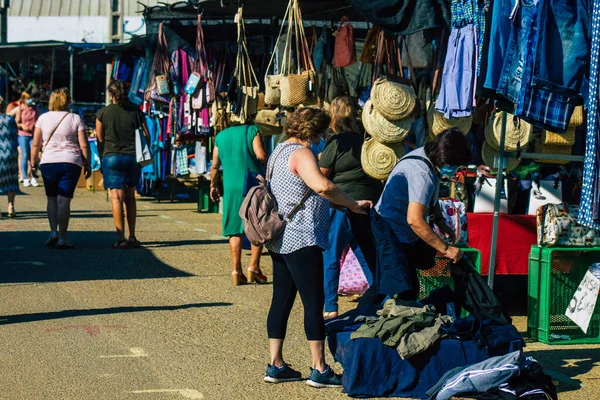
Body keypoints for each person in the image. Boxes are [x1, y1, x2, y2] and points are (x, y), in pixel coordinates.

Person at [263, 107, 371, 388]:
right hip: (302, 237)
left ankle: (275, 363)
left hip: (280, 237)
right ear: (313, 132)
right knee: (314, 302)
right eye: (324, 133)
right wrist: (352, 203)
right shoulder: (302, 154)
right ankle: (319, 368)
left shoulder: (278, 151)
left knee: (282, 299)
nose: (325, 138)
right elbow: (322, 186)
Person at [371, 128, 471, 301]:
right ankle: (359, 321)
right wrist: (446, 249)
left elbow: (428, 197)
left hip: (399, 229)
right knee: (390, 287)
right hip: (390, 230)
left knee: (408, 289)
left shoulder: (426, 155)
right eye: (455, 165)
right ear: (445, 159)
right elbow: (415, 220)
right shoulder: (422, 173)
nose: (455, 170)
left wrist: (440, 221)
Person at [318, 96, 382, 319]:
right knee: (366, 255)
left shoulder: (335, 143)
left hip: (341, 206)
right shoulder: (369, 140)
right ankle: (378, 300)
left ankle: (330, 306)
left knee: (331, 256)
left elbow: (322, 178)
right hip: (368, 205)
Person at [31, 88, 91, 248]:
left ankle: (53, 232)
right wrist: (88, 163)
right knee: (64, 200)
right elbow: (84, 144)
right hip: (70, 162)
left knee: (51, 198)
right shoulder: (75, 118)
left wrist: (32, 164)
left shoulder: (43, 118)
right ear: (67, 101)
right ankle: (63, 238)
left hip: (48, 162)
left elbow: (36, 144)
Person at [210, 121, 268, 286]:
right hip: (251, 183)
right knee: (255, 224)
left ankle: (236, 270)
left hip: (230, 186)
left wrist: (213, 186)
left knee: (235, 228)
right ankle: (254, 268)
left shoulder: (220, 136)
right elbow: (260, 155)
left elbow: (214, 166)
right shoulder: (252, 130)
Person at [96, 80, 149, 249]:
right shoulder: (136, 111)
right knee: (130, 197)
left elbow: (99, 139)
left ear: (110, 95)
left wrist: (102, 157)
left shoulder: (102, 113)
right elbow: (146, 134)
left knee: (116, 197)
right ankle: (133, 236)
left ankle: (120, 238)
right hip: (132, 157)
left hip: (111, 157)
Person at [0, 96, 19, 218]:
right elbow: (15, 133)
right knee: (11, 179)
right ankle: (10, 206)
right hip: (10, 152)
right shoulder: (10, 119)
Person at [15, 92, 40, 187]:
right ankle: (25, 177)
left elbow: (39, 119)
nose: (31, 100)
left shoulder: (35, 108)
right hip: (23, 135)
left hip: (34, 135)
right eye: (29, 98)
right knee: (24, 155)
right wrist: (22, 125)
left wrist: (36, 124)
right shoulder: (20, 109)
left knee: (34, 157)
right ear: (24, 99)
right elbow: (16, 122)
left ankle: (33, 177)